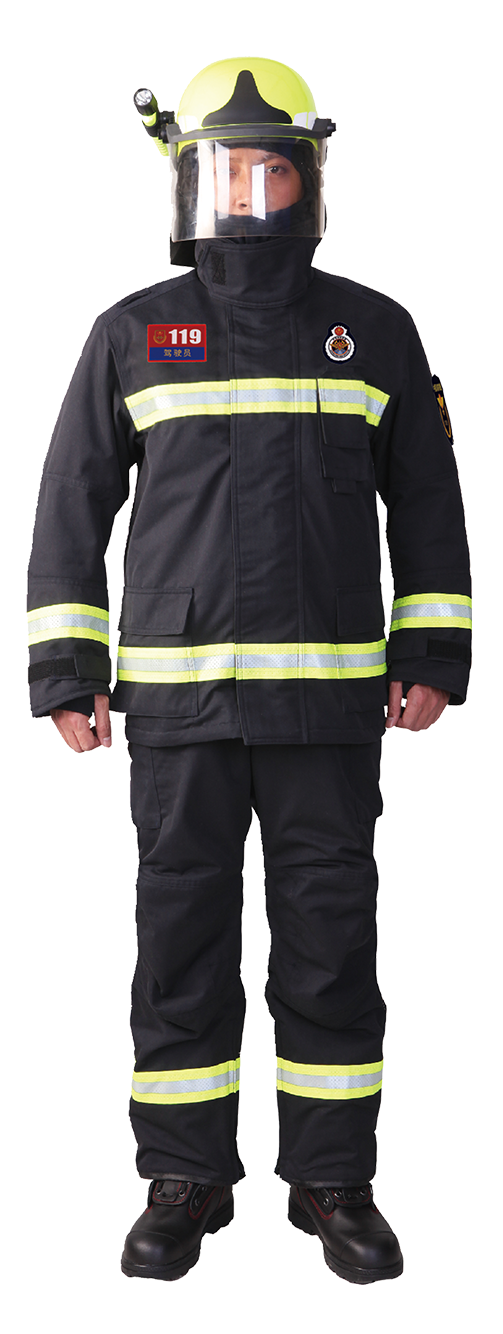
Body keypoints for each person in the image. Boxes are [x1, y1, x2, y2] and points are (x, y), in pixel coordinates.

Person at [27, 58, 471, 1284]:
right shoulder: (134, 333)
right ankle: (185, 1177)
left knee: (330, 941)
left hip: (329, 706)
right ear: (188, 180)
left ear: (309, 179)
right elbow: (70, 506)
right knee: (180, 939)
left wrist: (432, 651)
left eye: (275, 168)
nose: (252, 192)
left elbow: (426, 506)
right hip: (179, 709)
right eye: (230, 171)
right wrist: (67, 665)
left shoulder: (372, 330)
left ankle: (333, 1179)